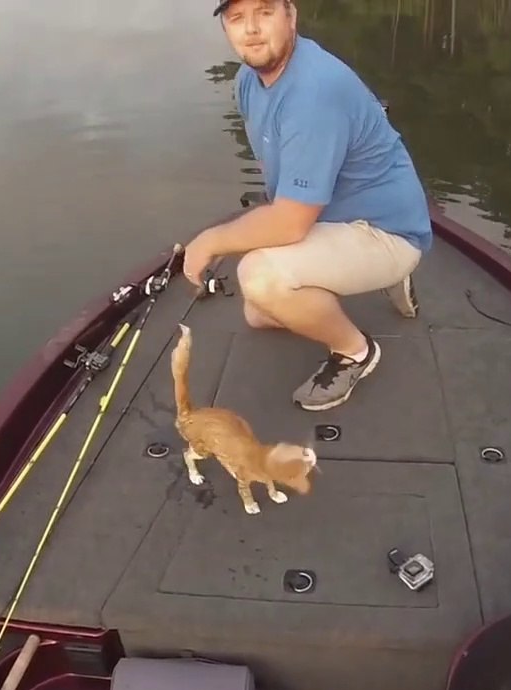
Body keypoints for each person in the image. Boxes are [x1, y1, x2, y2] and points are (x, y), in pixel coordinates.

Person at [182, 0, 433, 412]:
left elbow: (291, 223)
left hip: (386, 228)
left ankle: (356, 351)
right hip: (334, 218)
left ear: (291, 16)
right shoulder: (248, 80)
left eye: (264, 12)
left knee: (260, 277)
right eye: (237, 18)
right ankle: (372, 277)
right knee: (258, 314)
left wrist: (211, 241)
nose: (251, 30)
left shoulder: (315, 91)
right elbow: (273, 168)